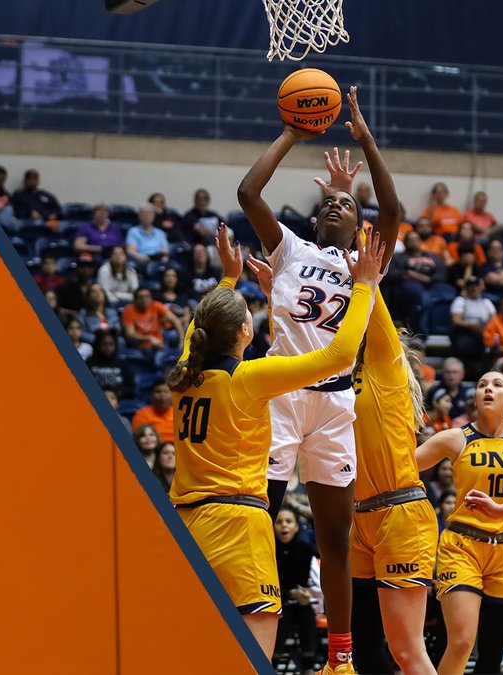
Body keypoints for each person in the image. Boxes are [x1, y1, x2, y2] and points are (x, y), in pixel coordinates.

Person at [236, 86, 402, 673]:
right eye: (327, 204)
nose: (335, 206)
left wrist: (366, 140)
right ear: (311, 219)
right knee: (259, 521)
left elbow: (395, 211)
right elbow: (248, 193)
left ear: (360, 223)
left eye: (346, 206)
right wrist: (291, 133)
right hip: (281, 396)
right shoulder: (288, 249)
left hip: (335, 406)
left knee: (335, 541)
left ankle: (340, 657)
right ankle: (242, 638)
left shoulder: (368, 264)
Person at [166, 221, 385, 659]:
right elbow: (339, 356)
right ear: (246, 334)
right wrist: (363, 287)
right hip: (237, 528)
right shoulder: (249, 378)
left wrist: (228, 278)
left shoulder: (184, 372)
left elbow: (199, 327)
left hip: (184, 523)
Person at [414, 371, 503, 675]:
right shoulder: (455, 437)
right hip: (462, 547)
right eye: (481, 385)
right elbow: (404, 467)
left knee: (492, 656)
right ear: (475, 398)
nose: (488, 389)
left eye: (497, 385)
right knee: (463, 642)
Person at [346, 293, 439, 674]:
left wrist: (367, 280)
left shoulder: (384, 363)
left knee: (407, 650)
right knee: (361, 646)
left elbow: (372, 306)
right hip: (359, 519)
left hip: (399, 512)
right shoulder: (340, 372)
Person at [275, 506, 319, 675]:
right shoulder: (269, 549)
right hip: (278, 602)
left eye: (288, 521)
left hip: (300, 603)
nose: (284, 526)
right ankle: (273, 661)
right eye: (279, 522)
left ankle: (308, 667)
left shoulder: (305, 550)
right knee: (282, 617)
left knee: (306, 614)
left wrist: (305, 594)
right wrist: (289, 593)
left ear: (296, 526)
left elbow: (308, 582)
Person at [450, 276, 495, 378]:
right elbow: (456, 321)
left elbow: (494, 321)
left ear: (481, 287)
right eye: (470, 286)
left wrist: (485, 329)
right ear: (466, 288)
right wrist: (472, 325)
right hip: (466, 333)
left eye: (476, 286)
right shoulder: (460, 301)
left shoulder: (486, 302)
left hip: (484, 332)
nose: (474, 288)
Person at [122, 286, 182, 351]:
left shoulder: (156, 305)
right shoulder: (129, 310)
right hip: (140, 346)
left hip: (159, 344)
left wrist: (182, 340)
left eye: (147, 297)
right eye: (141, 297)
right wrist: (149, 338)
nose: (144, 300)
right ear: (135, 300)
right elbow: (130, 334)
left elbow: (175, 320)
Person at [87, 330, 134, 399]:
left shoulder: (122, 363)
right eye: (104, 344)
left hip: (118, 400)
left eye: (111, 344)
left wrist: (115, 395)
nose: (108, 347)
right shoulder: (89, 363)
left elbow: (131, 389)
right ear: (98, 345)